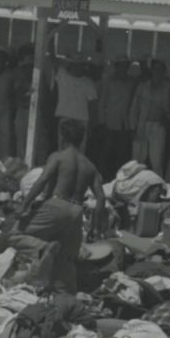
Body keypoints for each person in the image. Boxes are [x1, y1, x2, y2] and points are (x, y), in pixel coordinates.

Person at [19, 118, 105, 293]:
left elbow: (42, 180)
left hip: (57, 203)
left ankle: (43, 249)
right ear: (82, 139)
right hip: (76, 210)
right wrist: (95, 228)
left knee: (14, 233)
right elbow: (101, 198)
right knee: (67, 260)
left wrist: (24, 206)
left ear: (62, 137)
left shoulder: (58, 157)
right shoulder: (90, 166)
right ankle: (63, 293)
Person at [129, 58, 170, 175]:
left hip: (158, 127)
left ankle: (157, 188)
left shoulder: (169, 88)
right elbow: (134, 108)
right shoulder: (142, 86)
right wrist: (133, 127)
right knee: (137, 161)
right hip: (141, 125)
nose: (158, 72)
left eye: (160, 69)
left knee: (157, 160)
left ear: (164, 71)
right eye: (155, 69)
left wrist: (168, 121)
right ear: (152, 71)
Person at [96, 56, 136, 177]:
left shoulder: (131, 82)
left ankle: (119, 178)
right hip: (110, 122)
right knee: (106, 152)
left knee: (122, 153)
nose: (123, 68)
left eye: (125, 65)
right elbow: (102, 103)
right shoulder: (108, 81)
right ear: (116, 66)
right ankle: (102, 176)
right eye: (120, 65)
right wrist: (102, 122)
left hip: (125, 123)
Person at [53, 56, 99, 152]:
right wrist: (51, 44)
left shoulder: (88, 83)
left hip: (82, 121)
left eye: (80, 65)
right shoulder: (63, 75)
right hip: (65, 119)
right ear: (71, 65)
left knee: (79, 150)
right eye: (75, 65)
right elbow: (53, 60)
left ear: (83, 66)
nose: (77, 67)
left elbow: (93, 105)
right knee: (62, 149)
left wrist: (91, 124)